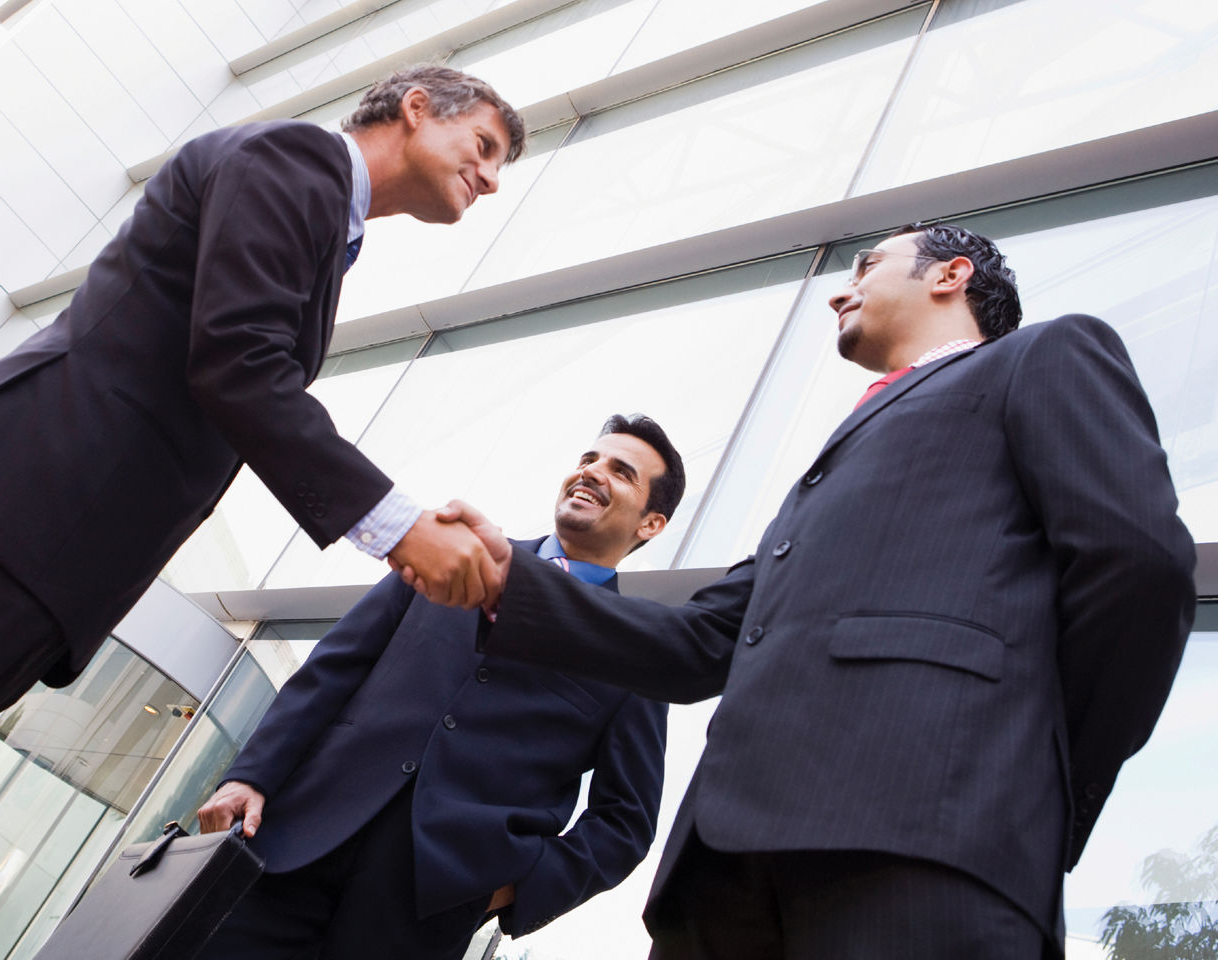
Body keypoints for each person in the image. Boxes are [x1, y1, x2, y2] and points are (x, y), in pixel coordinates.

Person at [438, 225, 1196, 957]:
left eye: (866, 266)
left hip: (922, 851)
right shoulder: (830, 464)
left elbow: (1138, 567)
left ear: (950, 274)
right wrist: (511, 580)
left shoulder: (1042, 356)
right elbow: (704, 642)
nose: (842, 294)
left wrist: (1044, 796)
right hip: (720, 880)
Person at [0, 66, 525, 745]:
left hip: (46, 546)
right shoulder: (292, 160)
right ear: (417, 108)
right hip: (16, 515)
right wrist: (396, 526)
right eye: (483, 146)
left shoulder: (326, 216)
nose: (490, 179)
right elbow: (239, 363)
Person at [195, 414, 686, 960]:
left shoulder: (636, 656)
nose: (591, 473)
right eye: (588, 459)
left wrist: (509, 888)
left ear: (651, 524)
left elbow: (624, 824)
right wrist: (250, 774)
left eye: (621, 472)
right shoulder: (452, 552)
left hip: (426, 910)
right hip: (293, 844)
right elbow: (333, 669)